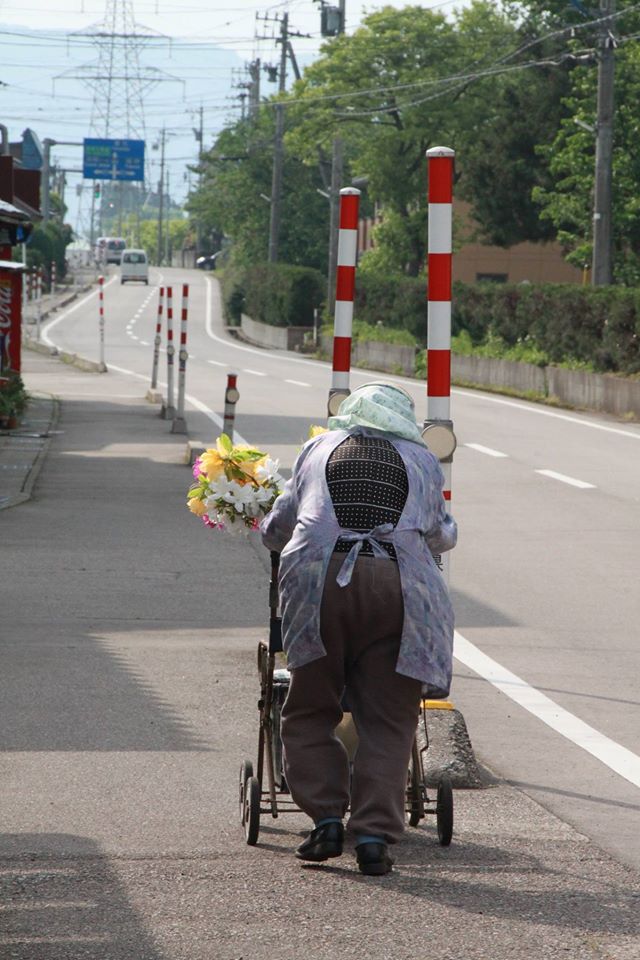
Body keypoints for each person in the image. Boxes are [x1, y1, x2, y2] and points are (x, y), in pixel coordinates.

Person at [260, 382, 457, 876]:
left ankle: (326, 820)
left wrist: (272, 534)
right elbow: (439, 532)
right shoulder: (420, 458)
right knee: (390, 717)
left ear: (350, 414)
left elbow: (281, 524)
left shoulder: (319, 447)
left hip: (319, 582)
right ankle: (372, 836)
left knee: (310, 704)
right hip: (401, 588)